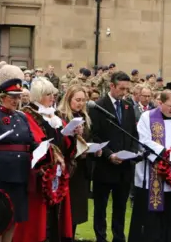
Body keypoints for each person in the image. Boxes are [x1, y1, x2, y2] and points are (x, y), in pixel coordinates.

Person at [128, 89, 171, 242]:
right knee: (151, 218)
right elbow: (144, 140)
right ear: (160, 103)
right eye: (170, 106)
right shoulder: (147, 117)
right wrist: (165, 153)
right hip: (153, 172)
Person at [15, 77, 72, 242]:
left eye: (53, 94)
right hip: (40, 174)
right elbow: (36, 142)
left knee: (55, 217)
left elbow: (65, 142)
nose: (52, 98)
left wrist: (73, 134)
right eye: (48, 94)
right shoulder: (28, 115)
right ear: (39, 95)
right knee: (38, 218)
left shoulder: (54, 116)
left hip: (57, 173)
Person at [0, 76, 38, 242]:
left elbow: (30, 141)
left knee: (15, 215)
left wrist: (44, 149)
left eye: (18, 96)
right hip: (1, 174)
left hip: (20, 174)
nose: (16, 100)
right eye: (12, 97)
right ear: (2, 97)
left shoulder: (22, 117)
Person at [89, 71, 139, 242]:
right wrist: (109, 155)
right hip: (104, 165)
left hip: (124, 167)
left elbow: (133, 134)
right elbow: (95, 135)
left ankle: (119, 237)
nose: (124, 92)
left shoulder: (128, 106)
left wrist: (131, 153)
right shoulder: (98, 106)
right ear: (111, 86)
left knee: (120, 207)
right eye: (121, 88)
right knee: (100, 207)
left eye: (127, 89)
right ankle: (101, 238)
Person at [56, 85, 95, 238]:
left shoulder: (85, 117)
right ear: (68, 99)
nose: (81, 103)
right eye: (77, 100)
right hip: (67, 169)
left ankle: (71, 235)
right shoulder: (61, 117)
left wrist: (92, 148)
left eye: (83, 100)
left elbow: (88, 137)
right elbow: (58, 143)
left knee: (76, 212)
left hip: (81, 170)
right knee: (65, 211)